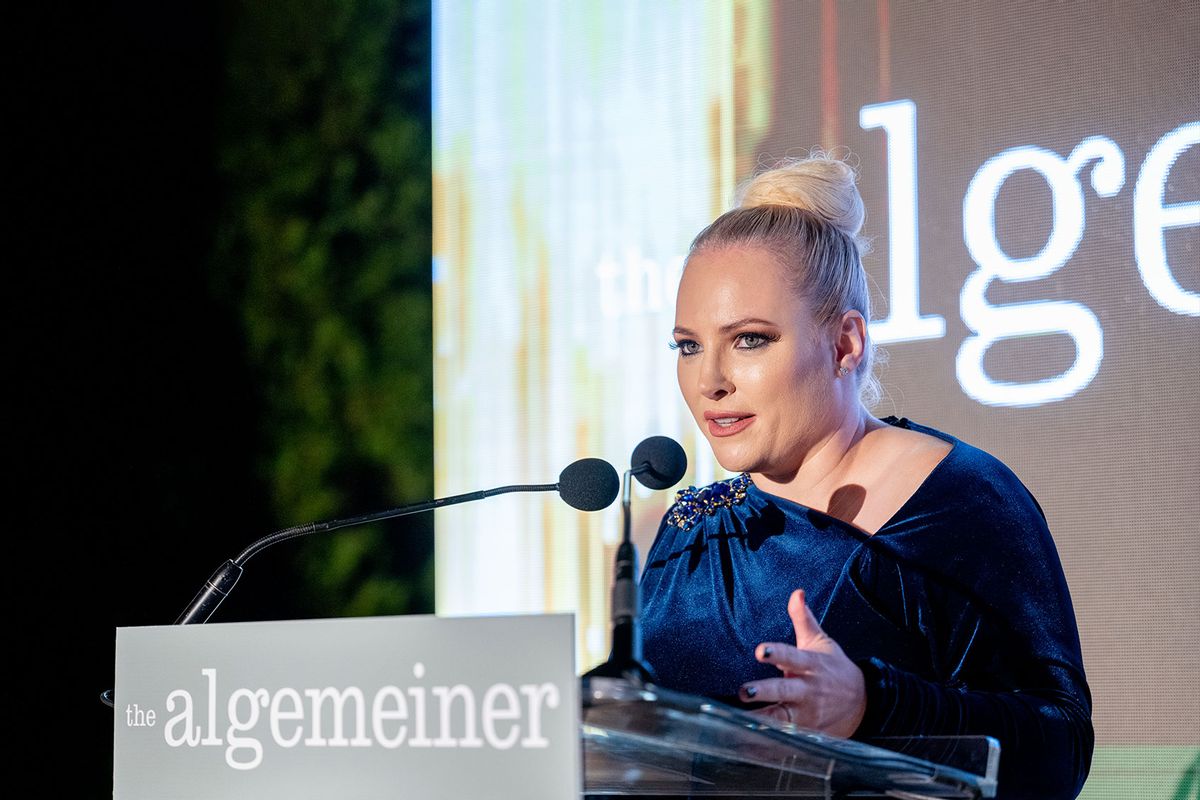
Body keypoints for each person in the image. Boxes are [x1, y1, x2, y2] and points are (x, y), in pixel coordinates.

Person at [638, 154, 1093, 798]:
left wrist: (869, 709)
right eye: (688, 346)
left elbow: (1059, 749)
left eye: (749, 340)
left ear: (845, 344)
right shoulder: (689, 533)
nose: (709, 380)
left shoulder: (959, 502)